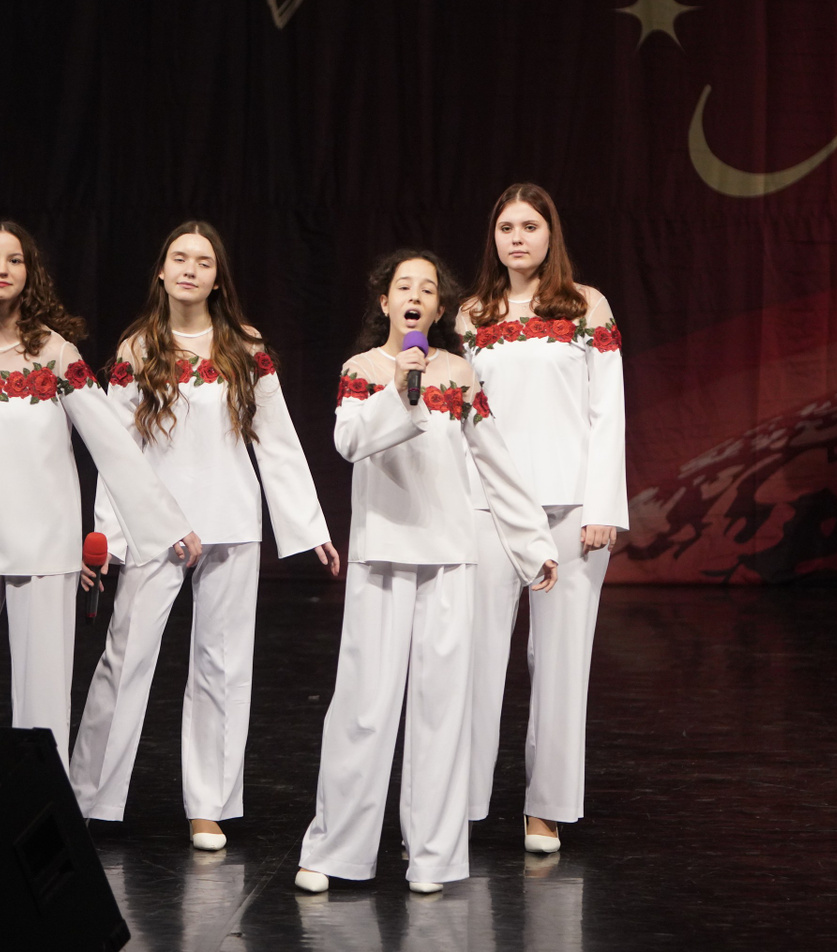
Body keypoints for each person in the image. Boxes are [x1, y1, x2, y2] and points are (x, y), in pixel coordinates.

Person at [295, 250, 559, 894]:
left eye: (428, 289)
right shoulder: (362, 370)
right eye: (403, 286)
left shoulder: (460, 373)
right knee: (363, 707)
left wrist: (533, 543)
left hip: (448, 557)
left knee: (442, 711)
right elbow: (349, 442)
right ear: (385, 301)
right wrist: (399, 388)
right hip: (382, 554)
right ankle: (334, 850)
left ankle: (434, 857)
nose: (415, 296)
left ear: (440, 309)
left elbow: (494, 460)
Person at [70, 222, 339, 850]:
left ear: (218, 278)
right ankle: (90, 797)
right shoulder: (138, 347)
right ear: (162, 271)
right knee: (126, 656)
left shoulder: (244, 346)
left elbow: (277, 439)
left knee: (222, 663)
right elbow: (116, 450)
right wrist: (107, 536)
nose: (190, 268)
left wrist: (309, 524)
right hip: (155, 522)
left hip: (229, 519)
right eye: (180, 258)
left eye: (204, 261)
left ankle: (209, 805)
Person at [0, 220, 194, 753]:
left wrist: (169, 523)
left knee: (42, 702)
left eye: (14, 259)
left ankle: (40, 801)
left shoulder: (58, 355)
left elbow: (112, 446)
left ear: (30, 274)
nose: (1, 269)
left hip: (46, 546)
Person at [457, 183, 626, 854]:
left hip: (570, 506)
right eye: (507, 227)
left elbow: (607, 407)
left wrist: (603, 506)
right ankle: (458, 808)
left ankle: (546, 809)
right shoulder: (471, 315)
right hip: (489, 504)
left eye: (530, 226)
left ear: (550, 234)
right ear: (493, 239)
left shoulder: (586, 306)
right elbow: (459, 417)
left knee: (560, 661)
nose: (518, 238)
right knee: (475, 658)